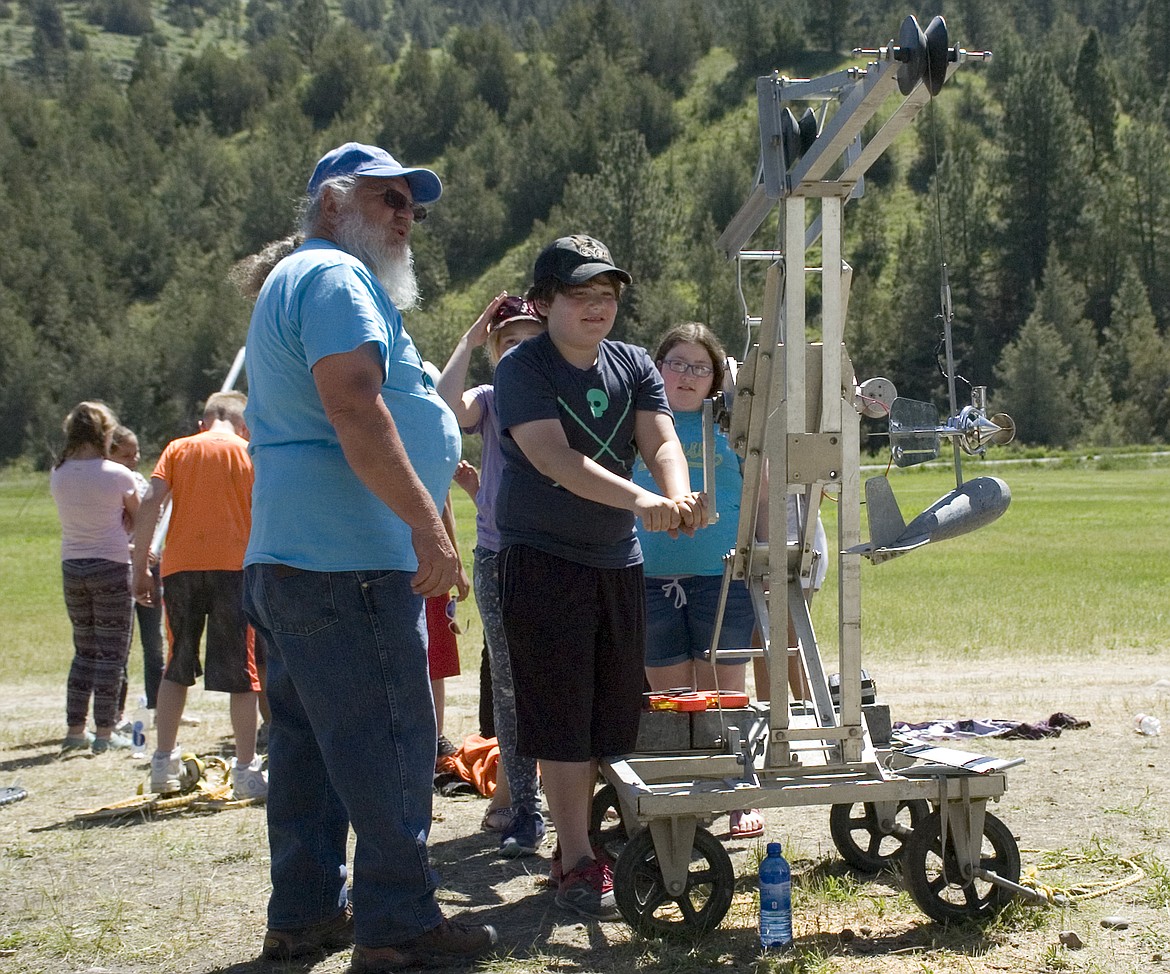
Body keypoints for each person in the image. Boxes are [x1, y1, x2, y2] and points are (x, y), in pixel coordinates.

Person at [240, 141, 496, 970]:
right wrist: (425, 527)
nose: (405, 218)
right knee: (391, 741)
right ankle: (397, 925)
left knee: (310, 751)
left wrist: (429, 516)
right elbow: (353, 406)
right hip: (345, 562)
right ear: (330, 206)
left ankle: (308, 912)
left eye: (411, 205)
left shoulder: (314, 280)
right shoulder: (333, 279)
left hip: (300, 556)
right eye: (388, 200)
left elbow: (385, 414)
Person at [493, 235, 706, 920]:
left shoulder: (636, 363)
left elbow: (662, 438)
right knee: (561, 717)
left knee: (616, 714)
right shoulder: (523, 369)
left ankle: (616, 842)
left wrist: (677, 494)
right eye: (581, 295)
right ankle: (577, 856)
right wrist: (647, 502)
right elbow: (555, 459)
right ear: (543, 301)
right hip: (542, 560)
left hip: (617, 560)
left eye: (608, 295)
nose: (598, 308)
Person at [631, 323, 766, 838]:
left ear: (715, 378)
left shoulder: (732, 427)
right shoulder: (635, 425)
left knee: (724, 689)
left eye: (700, 367)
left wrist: (763, 557)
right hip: (647, 575)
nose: (686, 376)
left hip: (723, 573)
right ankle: (684, 793)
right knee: (670, 696)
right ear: (656, 367)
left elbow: (759, 493)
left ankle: (736, 789)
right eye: (676, 363)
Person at [437, 292, 546, 858]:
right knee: (508, 684)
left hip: (557, 550)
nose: (519, 351)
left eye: (531, 339)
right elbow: (442, 407)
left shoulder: (560, 389)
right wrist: (474, 332)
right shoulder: (490, 397)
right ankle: (521, 803)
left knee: (553, 678)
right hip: (498, 555)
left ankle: (533, 798)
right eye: (508, 342)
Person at [131, 392, 267, 801]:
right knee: (243, 676)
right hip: (235, 568)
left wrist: (140, 565)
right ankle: (245, 770)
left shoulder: (177, 449)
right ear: (243, 425)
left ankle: (162, 764)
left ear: (203, 421)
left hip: (181, 568)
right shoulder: (249, 452)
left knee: (177, 665)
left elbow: (151, 500)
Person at [49, 401, 139, 754]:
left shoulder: (59, 473)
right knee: (112, 652)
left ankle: (75, 728)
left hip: (73, 563)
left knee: (83, 649)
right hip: (112, 563)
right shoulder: (117, 475)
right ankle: (104, 731)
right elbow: (136, 515)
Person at [109, 426, 164, 715]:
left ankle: (158, 705)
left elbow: (154, 519)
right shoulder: (108, 484)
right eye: (126, 455)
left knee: (154, 641)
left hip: (152, 569)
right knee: (120, 644)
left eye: (136, 453)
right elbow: (104, 532)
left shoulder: (141, 481)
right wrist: (134, 551)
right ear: (109, 453)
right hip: (119, 568)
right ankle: (114, 712)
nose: (133, 459)